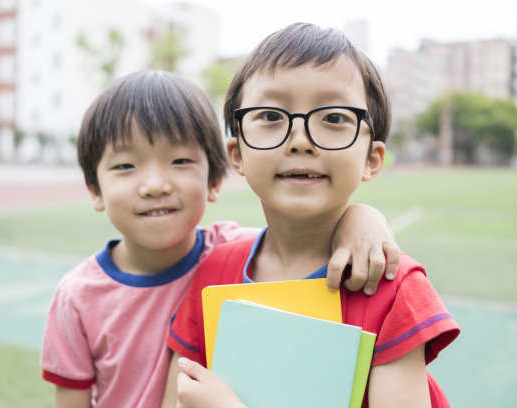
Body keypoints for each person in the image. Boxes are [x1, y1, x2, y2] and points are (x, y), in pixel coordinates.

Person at [40, 70, 400, 408]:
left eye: (180, 161)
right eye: (124, 166)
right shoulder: (77, 297)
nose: (154, 186)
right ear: (94, 188)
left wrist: (362, 218)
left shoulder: (232, 252)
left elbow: (299, 242)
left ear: (214, 181)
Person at [164, 23, 460, 408]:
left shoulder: (392, 286)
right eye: (270, 115)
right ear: (237, 154)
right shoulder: (213, 273)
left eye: (334, 118)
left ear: (371, 159)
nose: (300, 140)